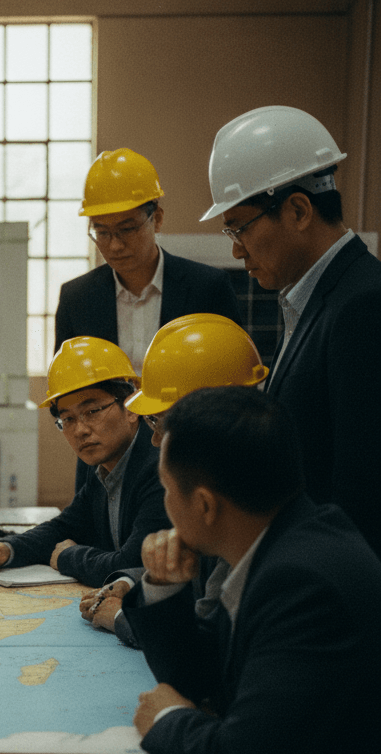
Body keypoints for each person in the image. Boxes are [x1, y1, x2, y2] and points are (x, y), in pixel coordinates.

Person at [121, 386, 381, 754]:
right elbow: (203, 680)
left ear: (205, 505)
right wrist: (164, 588)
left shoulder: (303, 584)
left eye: (167, 489)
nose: (164, 505)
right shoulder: (289, 537)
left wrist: (169, 720)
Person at [200, 105, 381, 555]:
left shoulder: (363, 306)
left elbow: (359, 496)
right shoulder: (307, 299)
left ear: (298, 210)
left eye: (240, 227)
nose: (238, 251)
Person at [54, 148, 242, 491]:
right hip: (107, 467)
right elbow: (64, 396)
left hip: (187, 459)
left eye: (126, 229)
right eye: (102, 232)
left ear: (156, 219)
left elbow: (233, 390)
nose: (114, 245)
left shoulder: (207, 288)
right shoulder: (77, 298)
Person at [78, 313, 269, 644]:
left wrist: (122, 618)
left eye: (157, 420)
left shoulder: (261, 548)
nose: (153, 439)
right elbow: (193, 578)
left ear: (206, 424)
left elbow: (205, 644)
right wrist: (132, 582)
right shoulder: (238, 501)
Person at [0, 336, 170, 587]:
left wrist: (67, 556)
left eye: (92, 412)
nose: (80, 431)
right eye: (68, 419)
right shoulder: (101, 464)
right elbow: (66, 527)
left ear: (130, 408)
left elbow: (132, 565)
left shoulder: (161, 467)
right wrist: (9, 548)